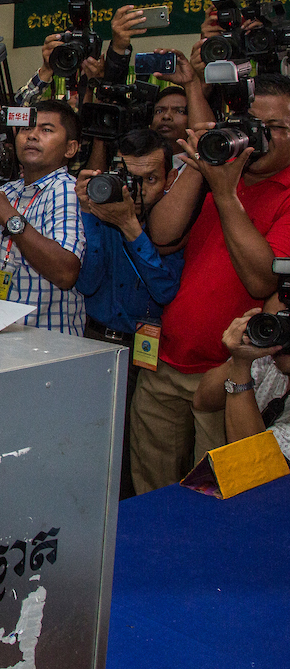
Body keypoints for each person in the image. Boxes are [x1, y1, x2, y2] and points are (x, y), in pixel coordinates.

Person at [130, 74, 290, 493]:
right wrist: (202, 170)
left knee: (215, 500)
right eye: (251, 122)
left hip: (229, 377)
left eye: (274, 128)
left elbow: (261, 280)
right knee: (150, 490)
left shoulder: (285, 193)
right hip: (165, 359)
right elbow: (162, 237)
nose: (259, 136)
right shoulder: (221, 172)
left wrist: (225, 194)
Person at [75, 128, 184, 498]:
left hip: (144, 356)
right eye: (129, 179)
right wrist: (92, 212)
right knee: (88, 446)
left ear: (169, 180)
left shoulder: (174, 226)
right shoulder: (106, 213)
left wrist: (131, 227)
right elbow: (87, 282)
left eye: (150, 180)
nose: (137, 191)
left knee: (135, 456)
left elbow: (165, 289)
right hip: (95, 341)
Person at [0, 100, 86, 334]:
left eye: (46, 130)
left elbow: (65, 273)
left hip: (47, 341)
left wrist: (9, 217)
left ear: (70, 149)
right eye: (26, 129)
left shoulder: (67, 189)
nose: (32, 136)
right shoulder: (7, 191)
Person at [194, 299, 290, 460]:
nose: (281, 336)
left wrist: (240, 368)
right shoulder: (269, 356)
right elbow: (203, 401)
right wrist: (239, 355)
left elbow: (251, 460)